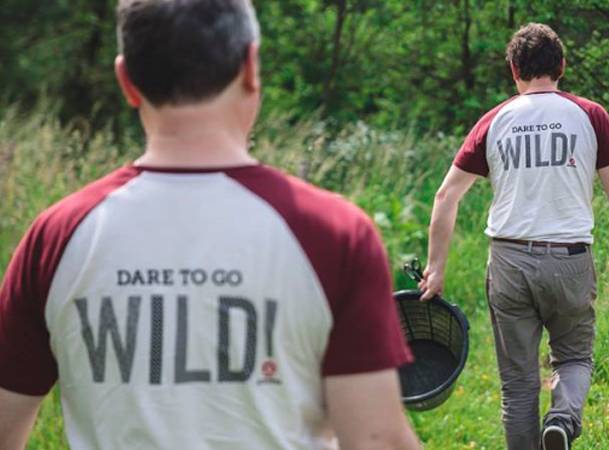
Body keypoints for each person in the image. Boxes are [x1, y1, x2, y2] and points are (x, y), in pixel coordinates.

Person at [0, 1, 421, 449]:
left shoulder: (57, 236)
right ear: (251, 66)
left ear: (126, 81)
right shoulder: (332, 233)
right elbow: (376, 440)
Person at [419, 23, 609, 450]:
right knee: (574, 357)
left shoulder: (494, 121)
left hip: (508, 262)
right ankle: (562, 420)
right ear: (561, 66)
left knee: (517, 384)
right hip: (569, 260)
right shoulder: (590, 116)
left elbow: (446, 195)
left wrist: (436, 269)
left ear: (514, 70)